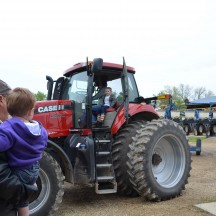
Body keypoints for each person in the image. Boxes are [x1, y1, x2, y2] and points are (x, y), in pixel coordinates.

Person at [0, 87, 48, 216]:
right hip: (35, 168)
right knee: (24, 199)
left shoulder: (8, 126)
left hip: (19, 169)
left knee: (17, 199)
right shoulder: (39, 127)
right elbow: (44, 142)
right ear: (31, 111)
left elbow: (2, 145)